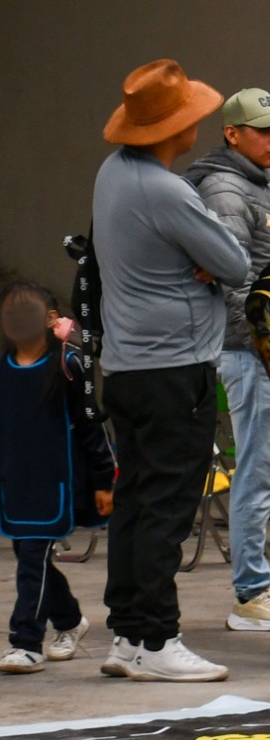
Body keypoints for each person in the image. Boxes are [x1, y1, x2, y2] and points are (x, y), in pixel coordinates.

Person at [91, 59, 253, 682]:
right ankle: (156, 638)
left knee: (137, 499)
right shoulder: (168, 190)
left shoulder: (112, 173)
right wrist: (203, 260)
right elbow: (234, 262)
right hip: (175, 365)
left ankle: (129, 633)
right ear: (172, 128)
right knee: (167, 504)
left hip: (128, 365)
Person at [186, 86, 270, 633]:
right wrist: (264, 341)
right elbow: (228, 272)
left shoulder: (260, 186)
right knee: (260, 470)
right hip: (251, 350)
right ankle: (251, 592)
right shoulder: (226, 190)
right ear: (232, 134)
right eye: (263, 129)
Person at [0, 284, 111, 673]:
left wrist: (103, 481)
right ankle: (69, 620)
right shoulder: (4, 368)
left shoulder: (68, 365)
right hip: (17, 483)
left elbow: (91, 427)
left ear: (50, 319)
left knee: (33, 557)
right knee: (32, 556)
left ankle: (26, 642)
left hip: (57, 482)